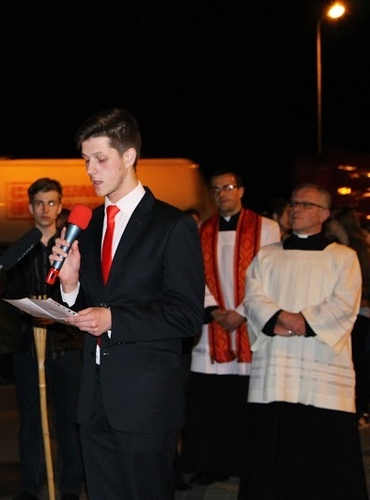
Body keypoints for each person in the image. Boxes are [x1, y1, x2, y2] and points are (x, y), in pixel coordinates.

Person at [48, 107, 204, 500]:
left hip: (145, 400)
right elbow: (88, 306)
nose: (91, 170)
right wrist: (69, 286)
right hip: (95, 395)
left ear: (129, 156)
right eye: (86, 161)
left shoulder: (172, 225)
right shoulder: (89, 224)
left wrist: (115, 318)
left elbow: (186, 315)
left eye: (101, 159)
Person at [239, 183, 369, 500]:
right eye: (293, 204)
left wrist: (301, 322)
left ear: (324, 214)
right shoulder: (267, 256)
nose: (295, 210)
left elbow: (344, 304)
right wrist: (280, 318)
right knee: (273, 444)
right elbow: (253, 298)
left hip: (322, 363)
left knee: (323, 447)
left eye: (305, 205)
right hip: (276, 368)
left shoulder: (343, 257)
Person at [179, 169, 281, 486]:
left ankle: (249, 461)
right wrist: (214, 310)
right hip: (213, 329)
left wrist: (240, 312)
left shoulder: (267, 228)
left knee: (245, 401)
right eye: (216, 189)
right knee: (211, 403)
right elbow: (195, 276)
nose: (222, 193)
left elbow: (269, 276)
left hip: (250, 324)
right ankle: (212, 463)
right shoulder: (201, 230)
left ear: (241, 190)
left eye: (229, 187)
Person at [1, 178, 84, 500]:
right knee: (32, 419)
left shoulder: (71, 246)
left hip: (65, 345)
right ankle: (30, 486)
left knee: (68, 419)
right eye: (39, 203)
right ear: (30, 207)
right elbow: (8, 293)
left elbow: (81, 292)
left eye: (51, 203)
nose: (45, 209)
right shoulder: (22, 247)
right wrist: (28, 312)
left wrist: (58, 314)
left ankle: (70, 486)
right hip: (27, 344)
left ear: (60, 205)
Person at [331, 206, 370, 428]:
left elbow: (363, 280)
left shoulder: (356, 248)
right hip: (355, 310)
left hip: (360, 311)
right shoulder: (349, 245)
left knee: (358, 362)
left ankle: (360, 409)